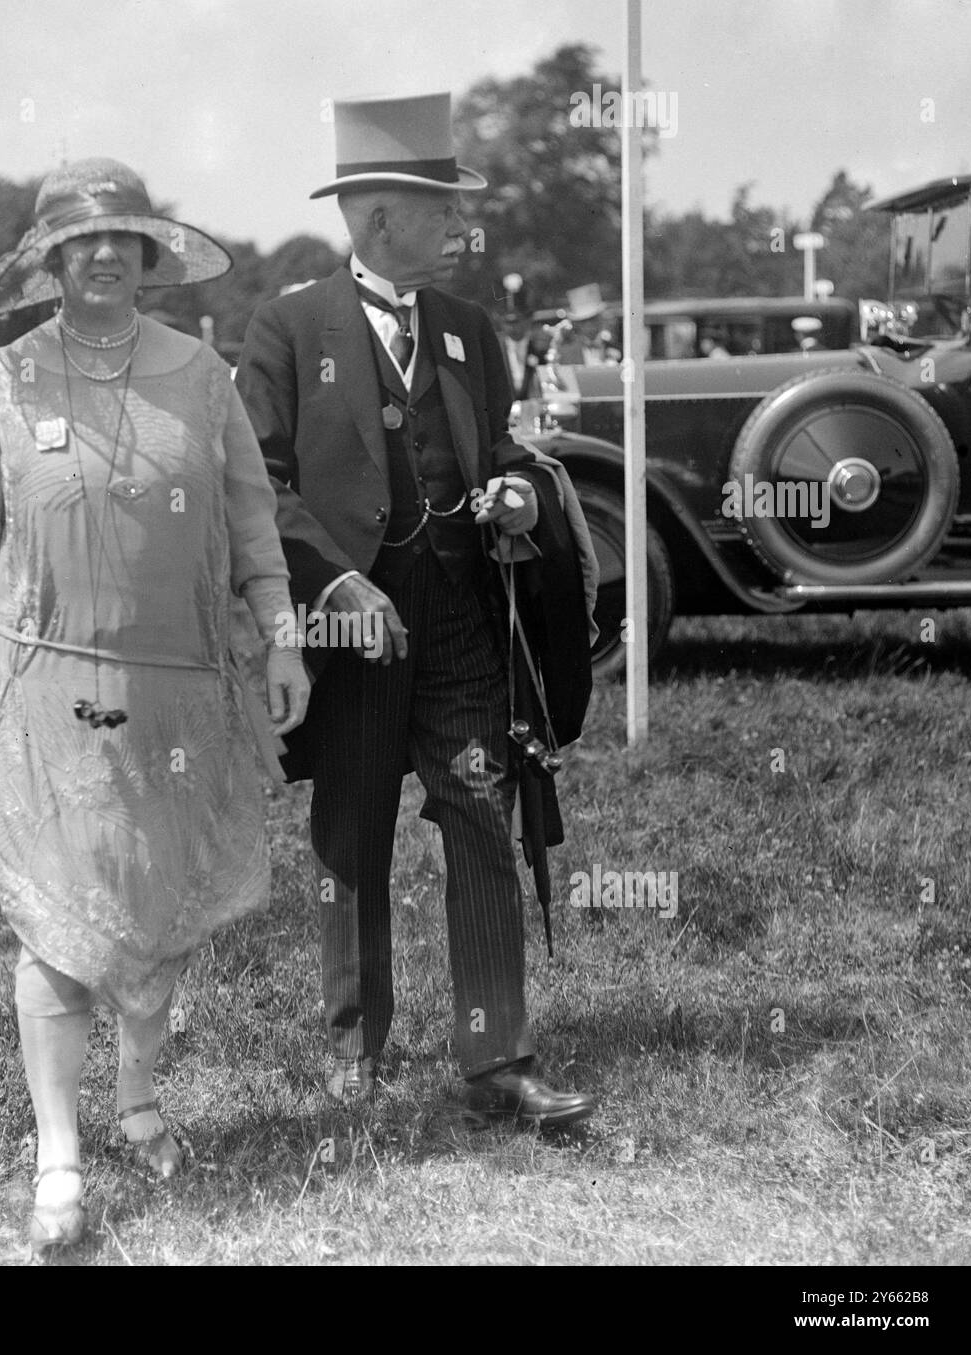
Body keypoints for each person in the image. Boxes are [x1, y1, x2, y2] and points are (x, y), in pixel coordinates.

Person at [0, 159, 310, 1253]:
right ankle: (60, 1153)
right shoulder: (3, 378)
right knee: (56, 923)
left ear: (149, 259)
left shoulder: (204, 374)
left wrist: (281, 637)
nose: (101, 256)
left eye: (123, 240)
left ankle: (138, 1099)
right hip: (41, 685)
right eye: (78, 241)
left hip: (179, 687)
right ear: (46, 261)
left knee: (158, 910)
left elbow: (250, 526)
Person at [236, 93, 597, 1128]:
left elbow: (510, 449)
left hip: (460, 624)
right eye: (443, 212)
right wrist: (334, 582)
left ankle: (498, 1063)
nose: (461, 231)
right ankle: (354, 1049)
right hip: (350, 631)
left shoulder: (473, 331)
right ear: (379, 218)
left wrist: (519, 491)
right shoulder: (288, 326)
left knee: (483, 814)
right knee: (351, 833)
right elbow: (260, 484)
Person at [553, 284, 620, 366]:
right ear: (577, 324)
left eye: (594, 319)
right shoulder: (565, 351)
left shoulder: (615, 347)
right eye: (584, 321)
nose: (590, 325)